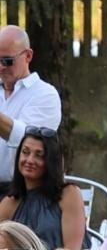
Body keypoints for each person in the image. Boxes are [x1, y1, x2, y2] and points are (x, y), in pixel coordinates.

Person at [0, 128, 82, 250]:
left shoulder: (69, 194)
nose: (30, 160)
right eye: (25, 152)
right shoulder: (10, 202)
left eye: (39, 155)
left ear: (51, 161)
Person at [0, 26, 62, 185]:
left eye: (7, 61)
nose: (1, 67)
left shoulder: (45, 94)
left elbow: (26, 139)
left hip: (23, 193)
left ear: (28, 55)